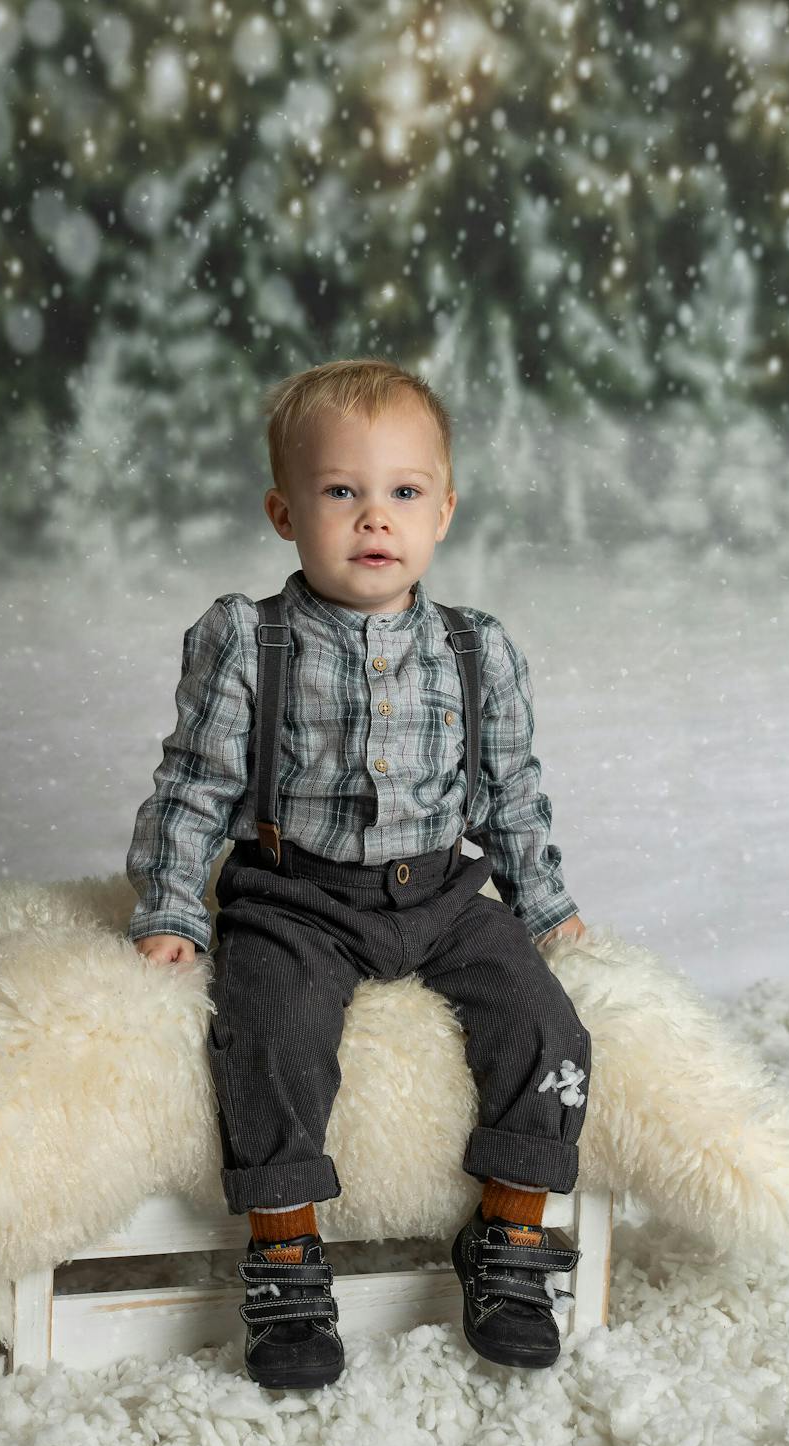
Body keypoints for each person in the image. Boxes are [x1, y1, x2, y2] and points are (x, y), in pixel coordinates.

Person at [125, 358, 592, 1388]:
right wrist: (171, 908)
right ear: (284, 513)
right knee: (271, 1033)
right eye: (341, 491)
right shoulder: (250, 640)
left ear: (444, 512)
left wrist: (543, 905)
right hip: (297, 896)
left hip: (443, 894)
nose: (375, 517)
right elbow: (195, 785)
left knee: (546, 1029)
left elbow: (510, 790)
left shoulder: (477, 649)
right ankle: (286, 1254)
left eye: (404, 492)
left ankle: (510, 1235)